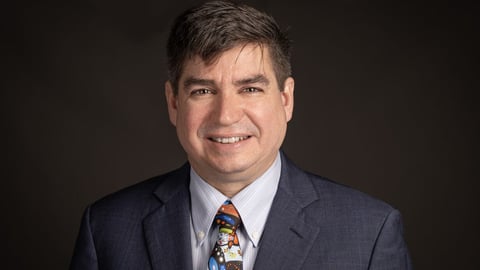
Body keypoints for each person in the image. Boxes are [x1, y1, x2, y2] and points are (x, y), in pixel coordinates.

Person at [70, 1, 413, 269]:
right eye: (203, 91)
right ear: (174, 104)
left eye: (249, 88)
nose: (226, 115)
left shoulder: (370, 234)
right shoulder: (107, 229)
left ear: (286, 99)